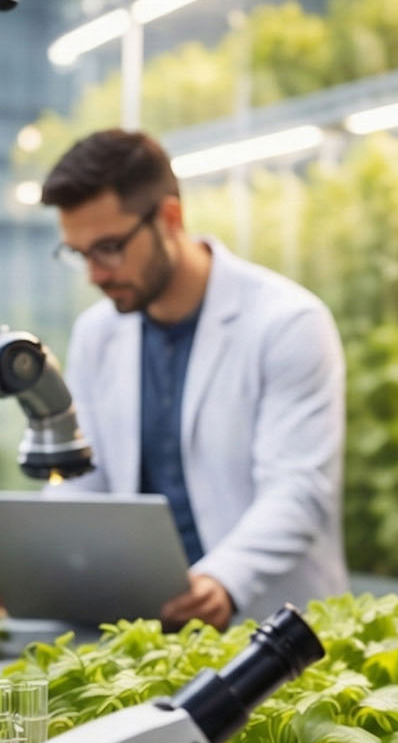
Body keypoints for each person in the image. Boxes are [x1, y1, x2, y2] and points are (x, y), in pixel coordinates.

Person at [39, 129, 347, 629]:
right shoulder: (97, 332)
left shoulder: (288, 322)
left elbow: (298, 490)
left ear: (170, 218)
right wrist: (36, 558)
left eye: (109, 248)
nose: (95, 274)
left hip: (264, 625)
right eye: (79, 254)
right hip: (144, 629)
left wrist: (223, 579)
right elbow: (83, 481)